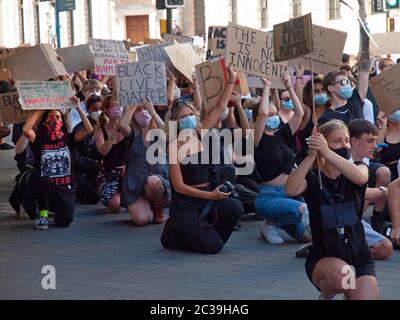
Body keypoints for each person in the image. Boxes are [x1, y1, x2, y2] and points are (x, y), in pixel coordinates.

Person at [286, 119, 380, 300]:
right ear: (322, 143)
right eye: (337, 141)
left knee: (357, 287)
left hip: (358, 253)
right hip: (324, 256)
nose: (343, 145)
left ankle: (347, 290)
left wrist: (327, 152)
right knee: (344, 276)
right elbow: (291, 189)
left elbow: (360, 178)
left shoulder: (359, 166)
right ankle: (327, 294)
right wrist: (312, 156)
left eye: (346, 140)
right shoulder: (313, 176)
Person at [160, 65, 243, 254]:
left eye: (190, 115)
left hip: (209, 196)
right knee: (213, 247)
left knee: (235, 208)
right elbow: (179, 186)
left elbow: (220, 107)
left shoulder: (200, 131)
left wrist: (231, 80)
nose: (188, 118)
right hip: (187, 203)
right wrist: (210, 196)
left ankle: (206, 235)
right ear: (175, 122)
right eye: (183, 117)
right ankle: (174, 233)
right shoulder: (174, 146)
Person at [253, 74, 309, 245]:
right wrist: (267, 87)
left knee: (306, 238)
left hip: (289, 193)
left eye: (275, 113)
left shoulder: (281, 135)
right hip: (268, 197)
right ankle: (270, 223)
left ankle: (272, 223)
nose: (272, 116)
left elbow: (299, 113)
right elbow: (262, 114)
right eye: (270, 114)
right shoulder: (256, 139)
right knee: (304, 210)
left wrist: (289, 86)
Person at [22, 96, 93, 230]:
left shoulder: (68, 138)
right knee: (44, 181)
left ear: (63, 122)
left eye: (58, 117)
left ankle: (54, 208)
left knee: (65, 221)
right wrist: (39, 111)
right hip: (46, 185)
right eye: (51, 117)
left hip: (65, 186)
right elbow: (26, 130)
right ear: (44, 122)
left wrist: (78, 107)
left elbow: (89, 130)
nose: (55, 120)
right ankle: (43, 213)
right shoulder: (40, 140)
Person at [118, 99, 170, 226]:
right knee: (142, 220)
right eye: (139, 110)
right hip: (135, 183)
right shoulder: (133, 132)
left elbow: (171, 134)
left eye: (144, 109)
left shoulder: (158, 131)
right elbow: (122, 126)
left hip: (155, 180)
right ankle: (144, 204)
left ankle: (157, 206)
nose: (142, 112)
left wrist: (153, 112)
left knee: (153, 182)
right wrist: (133, 105)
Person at [347, 119, 393, 259]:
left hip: (353, 219)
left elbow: (362, 197)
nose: (374, 146)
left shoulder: (363, 160)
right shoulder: (343, 160)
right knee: (385, 248)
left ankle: (342, 249)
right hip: (336, 219)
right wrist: (386, 191)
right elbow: (360, 193)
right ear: (354, 141)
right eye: (369, 141)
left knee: (385, 248)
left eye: (375, 140)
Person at [95, 95, 129, 213]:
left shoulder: (127, 128)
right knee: (116, 206)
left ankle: (128, 196)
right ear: (106, 110)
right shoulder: (100, 130)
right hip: (109, 175)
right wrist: (113, 134)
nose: (118, 108)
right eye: (114, 106)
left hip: (127, 173)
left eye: (119, 105)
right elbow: (103, 151)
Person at [318, 58, 369, 126]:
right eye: (344, 82)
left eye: (348, 81)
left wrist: (365, 56)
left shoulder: (354, 101)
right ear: (331, 88)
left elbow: (364, 73)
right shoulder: (326, 117)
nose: (349, 85)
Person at [72, 95, 103, 204]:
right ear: (88, 110)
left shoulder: (108, 127)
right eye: (95, 109)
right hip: (84, 171)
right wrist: (93, 163)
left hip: (103, 171)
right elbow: (75, 157)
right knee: (93, 197)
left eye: (100, 109)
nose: (98, 112)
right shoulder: (80, 130)